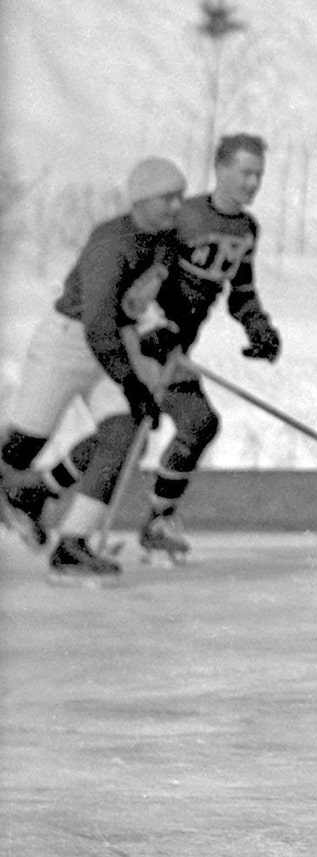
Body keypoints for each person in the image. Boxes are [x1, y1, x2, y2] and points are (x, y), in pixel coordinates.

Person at [5, 134, 282, 564]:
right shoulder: (180, 216)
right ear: (220, 168)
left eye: (259, 175)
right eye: (245, 172)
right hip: (140, 344)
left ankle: (48, 493)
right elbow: (136, 286)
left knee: (144, 429)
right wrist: (153, 329)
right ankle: (150, 519)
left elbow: (241, 293)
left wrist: (260, 329)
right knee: (186, 422)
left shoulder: (246, 230)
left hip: (169, 345)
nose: (252, 183)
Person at [0, 157, 186, 584]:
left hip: (111, 347)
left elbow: (161, 297)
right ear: (140, 200)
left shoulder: (164, 240)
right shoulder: (111, 242)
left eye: (180, 197)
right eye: (166, 198)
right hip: (68, 344)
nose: (176, 206)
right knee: (20, 447)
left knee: (124, 435)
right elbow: (99, 324)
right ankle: (25, 490)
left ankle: (72, 544)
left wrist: (164, 330)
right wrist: (132, 381)